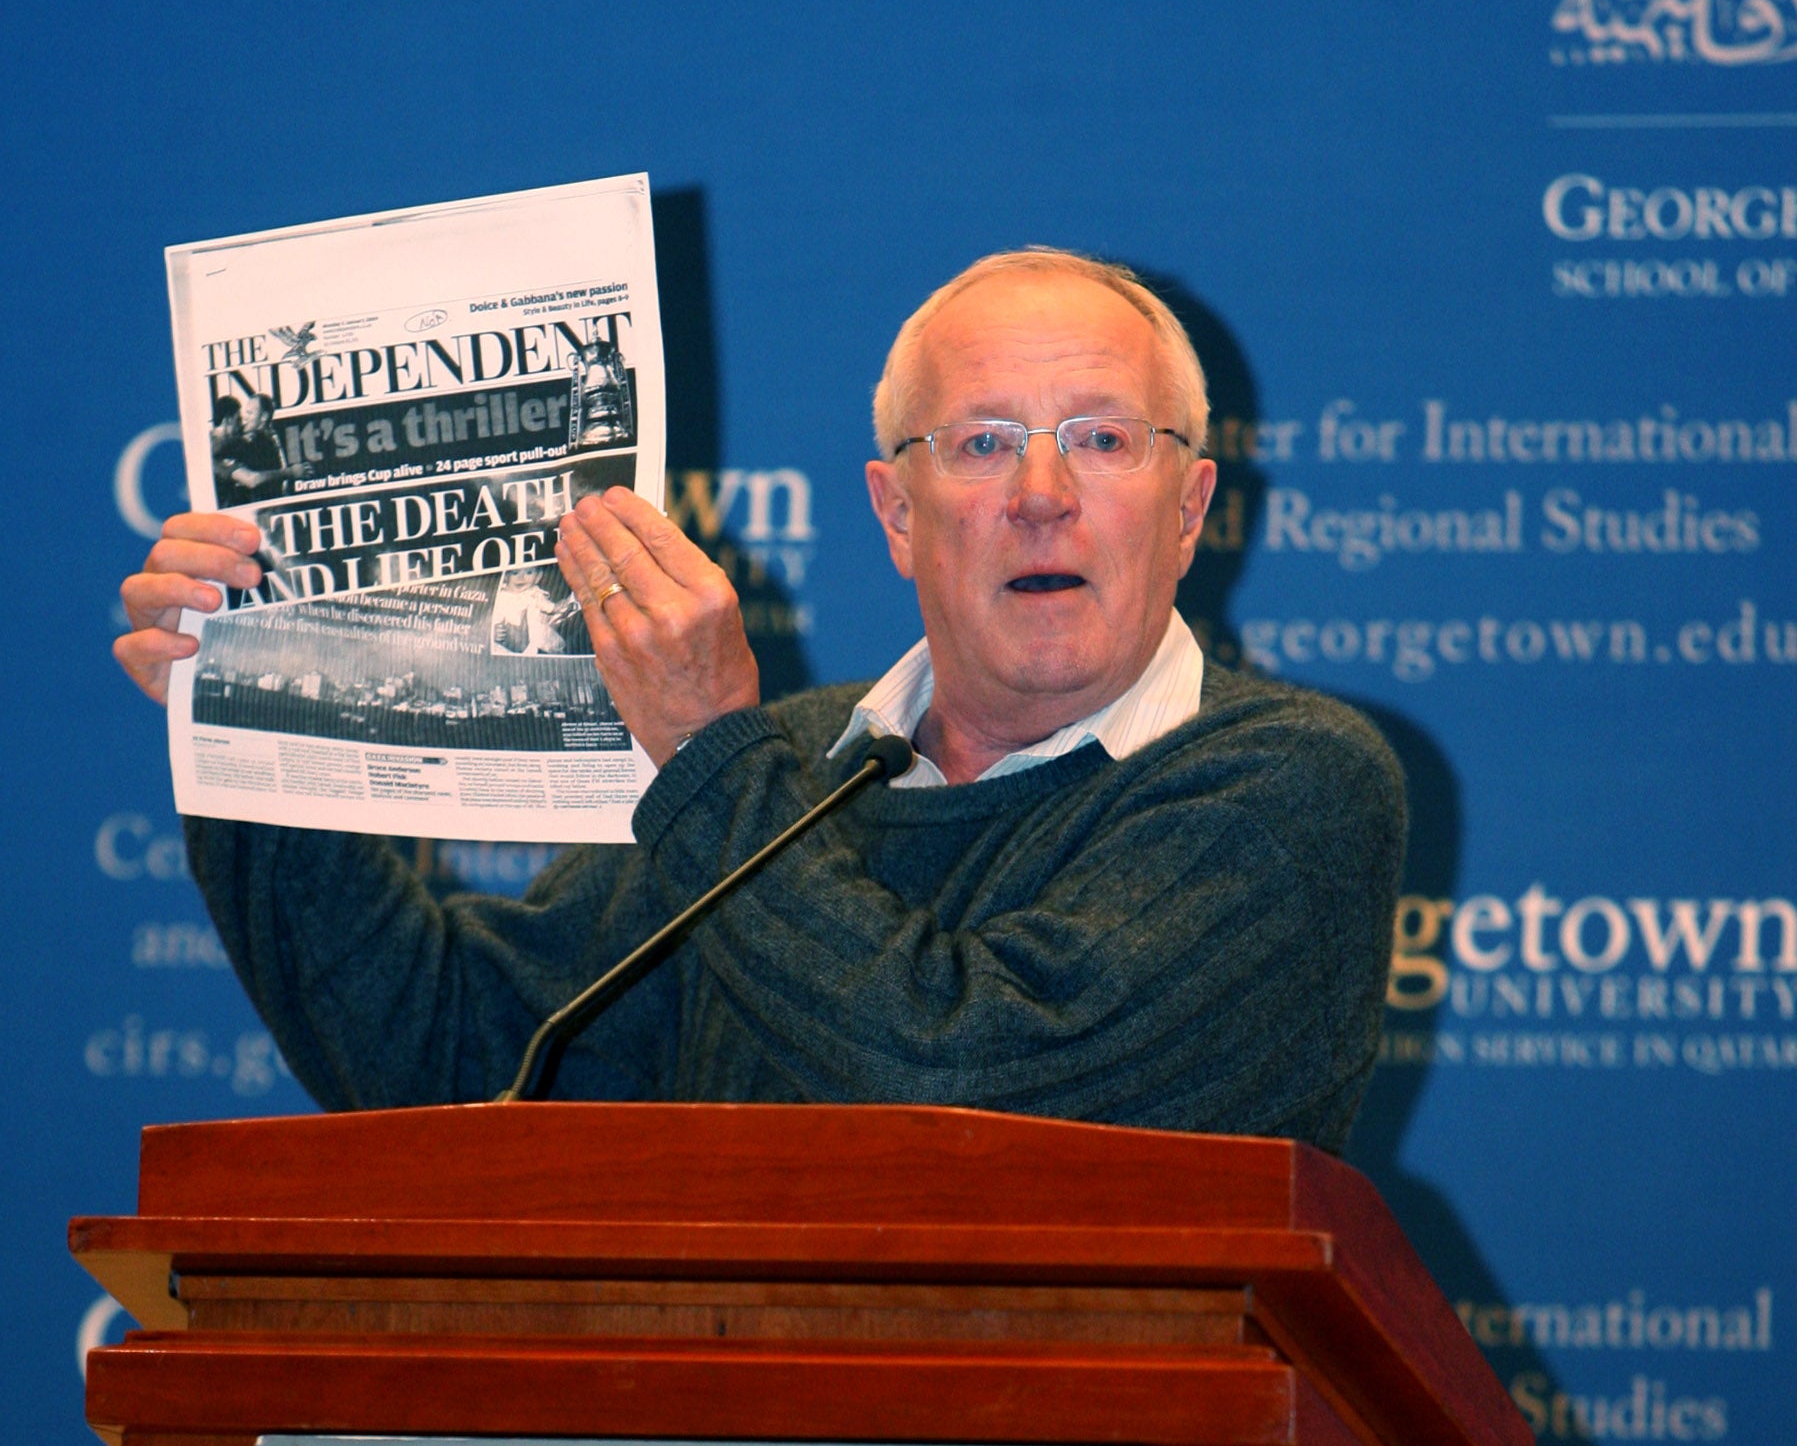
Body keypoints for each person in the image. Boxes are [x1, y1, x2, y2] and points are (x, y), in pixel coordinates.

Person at [116, 248, 1404, 1146]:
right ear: (898, 517)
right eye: (985, 443)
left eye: (1104, 439)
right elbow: (460, 1077)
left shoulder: (1287, 781)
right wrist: (264, 720)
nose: (1043, 494)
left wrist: (705, 755)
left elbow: (963, 1097)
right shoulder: (779, 766)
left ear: (1190, 511)